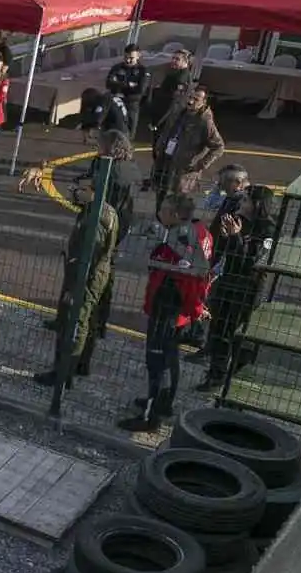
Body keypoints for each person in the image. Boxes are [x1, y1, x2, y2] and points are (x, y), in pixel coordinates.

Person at [32, 132, 134, 388]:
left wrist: (75, 284)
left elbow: (89, 252)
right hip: (94, 267)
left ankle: (65, 372)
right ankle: (77, 364)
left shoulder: (98, 215)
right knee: (86, 316)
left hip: (87, 272)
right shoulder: (105, 202)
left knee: (77, 319)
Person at [119, 194, 213, 433]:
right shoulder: (200, 231)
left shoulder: (182, 239)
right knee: (170, 357)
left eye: (162, 209)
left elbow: (190, 280)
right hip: (176, 307)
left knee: (157, 361)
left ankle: (151, 416)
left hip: (169, 306)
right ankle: (163, 403)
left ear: (174, 214)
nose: (158, 212)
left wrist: (195, 309)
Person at [200, 184, 274, 391]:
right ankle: (215, 373)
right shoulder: (236, 221)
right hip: (226, 283)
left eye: (246, 201)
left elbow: (251, 262)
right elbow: (223, 253)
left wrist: (235, 237)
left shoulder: (267, 230)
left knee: (234, 333)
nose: (241, 204)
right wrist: (225, 237)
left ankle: (236, 371)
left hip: (246, 289)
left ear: (257, 205)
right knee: (217, 329)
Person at [152, 84, 225, 207]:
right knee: (160, 197)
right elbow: (166, 131)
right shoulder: (179, 112)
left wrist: (200, 164)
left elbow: (218, 147)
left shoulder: (204, 121)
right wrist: (159, 147)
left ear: (204, 102)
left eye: (196, 99)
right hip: (166, 162)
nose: (190, 101)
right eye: (190, 97)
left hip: (183, 171)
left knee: (175, 203)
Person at [144, 48, 194, 146]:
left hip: (168, 118)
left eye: (177, 59)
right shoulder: (174, 74)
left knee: (162, 145)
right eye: (173, 58)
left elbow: (174, 101)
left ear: (186, 62)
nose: (173, 61)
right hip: (163, 115)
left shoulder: (181, 78)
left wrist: (158, 121)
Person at [104, 44, 149, 139]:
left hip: (131, 104)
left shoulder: (143, 71)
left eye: (131, 58)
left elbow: (140, 89)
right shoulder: (117, 68)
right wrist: (128, 85)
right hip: (116, 103)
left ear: (138, 56)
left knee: (128, 133)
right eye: (126, 57)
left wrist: (119, 84)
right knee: (111, 130)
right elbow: (108, 84)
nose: (128, 60)